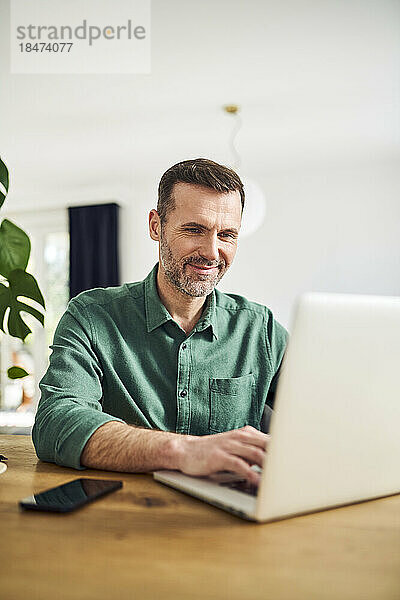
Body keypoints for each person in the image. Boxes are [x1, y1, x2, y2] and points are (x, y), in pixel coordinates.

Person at [32, 158, 288, 486]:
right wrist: (182, 451)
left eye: (226, 235)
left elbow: (321, 416)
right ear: (156, 226)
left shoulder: (261, 330)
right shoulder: (92, 317)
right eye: (194, 229)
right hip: (120, 519)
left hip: (231, 523)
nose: (211, 252)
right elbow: (56, 423)